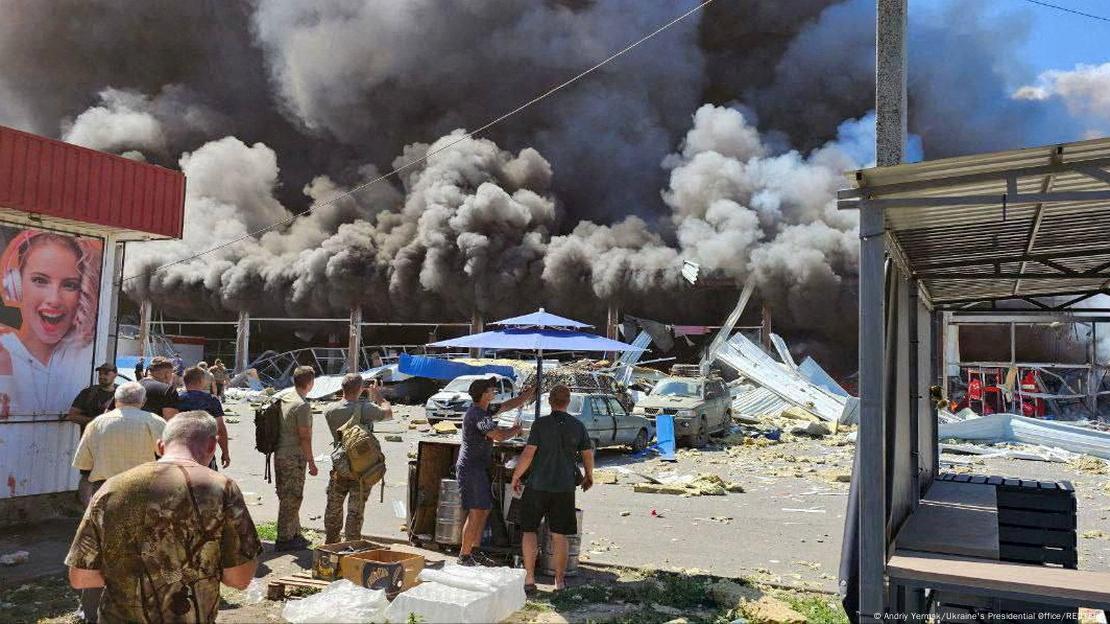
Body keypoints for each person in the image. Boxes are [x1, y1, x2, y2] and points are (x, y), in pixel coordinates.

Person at [66, 410, 262, 624]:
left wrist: (131, 578)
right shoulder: (221, 488)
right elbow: (239, 578)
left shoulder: (112, 487)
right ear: (212, 446)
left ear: (160, 446)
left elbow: (81, 577)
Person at [70, 381, 166, 623]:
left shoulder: (97, 423)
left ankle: (90, 612)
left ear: (115, 400)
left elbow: (84, 465)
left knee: (99, 552)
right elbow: (169, 458)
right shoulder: (155, 422)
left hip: (106, 492)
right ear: (143, 401)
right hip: (145, 491)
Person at [0, 229, 102, 417]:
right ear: (15, 285)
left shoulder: (86, 354)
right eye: (40, 280)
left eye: (69, 285)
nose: (54, 299)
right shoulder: (4, 352)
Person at [511, 385, 594, 592]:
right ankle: (559, 581)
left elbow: (529, 453)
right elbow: (587, 453)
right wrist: (589, 476)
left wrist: (516, 475)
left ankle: (529, 579)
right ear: (568, 401)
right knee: (560, 536)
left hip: (537, 486)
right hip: (564, 488)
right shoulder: (577, 425)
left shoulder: (540, 425)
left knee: (529, 531)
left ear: (550, 401)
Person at [456, 377, 533, 567]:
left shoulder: (485, 410)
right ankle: (464, 555)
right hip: (471, 468)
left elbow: (507, 406)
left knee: (484, 510)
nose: (495, 393)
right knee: (476, 511)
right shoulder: (477, 415)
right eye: (492, 391)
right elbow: (497, 436)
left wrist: (526, 396)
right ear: (484, 394)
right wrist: (515, 430)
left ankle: (473, 551)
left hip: (479, 467)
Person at [322, 374, 393, 544]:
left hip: (340, 467)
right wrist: (378, 395)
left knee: (334, 506)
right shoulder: (366, 409)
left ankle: (331, 542)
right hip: (363, 469)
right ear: (361, 389)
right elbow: (388, 413)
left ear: (342, 388)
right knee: (356, 510)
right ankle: (352, 544)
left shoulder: (330, 411)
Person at [274, 365, 316, 551]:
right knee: (292, 497)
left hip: (280, 453)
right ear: (310, 383)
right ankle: (284, 539)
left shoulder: (285, 397)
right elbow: (304, 437)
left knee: (288, 495)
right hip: (293, 456)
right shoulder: (302, 405)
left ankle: (294, 532)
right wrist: (312, 462)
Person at [68, 362, 119, 504]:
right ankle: (86, 511)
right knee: (88, 476)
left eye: (106, 373)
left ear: (115, 374)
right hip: (91, 443)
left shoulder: (121, 393)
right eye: (100, 373)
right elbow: (72, 415)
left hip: (114, 444)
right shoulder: (88, 393)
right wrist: (95, 421)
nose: (102, 376)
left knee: (110, 477)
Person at [177, 366, 230, 469]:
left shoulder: (177, 399)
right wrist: (225, 452)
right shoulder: (211, 400)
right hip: (205, 452)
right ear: (201, 381)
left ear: (184, 381)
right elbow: (220, 430)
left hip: (180, 450)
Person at [135, 356, 180, 420]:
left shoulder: (133, 386)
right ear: (166, 374)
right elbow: (172, 422)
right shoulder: (168, 391)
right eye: (171, 373)